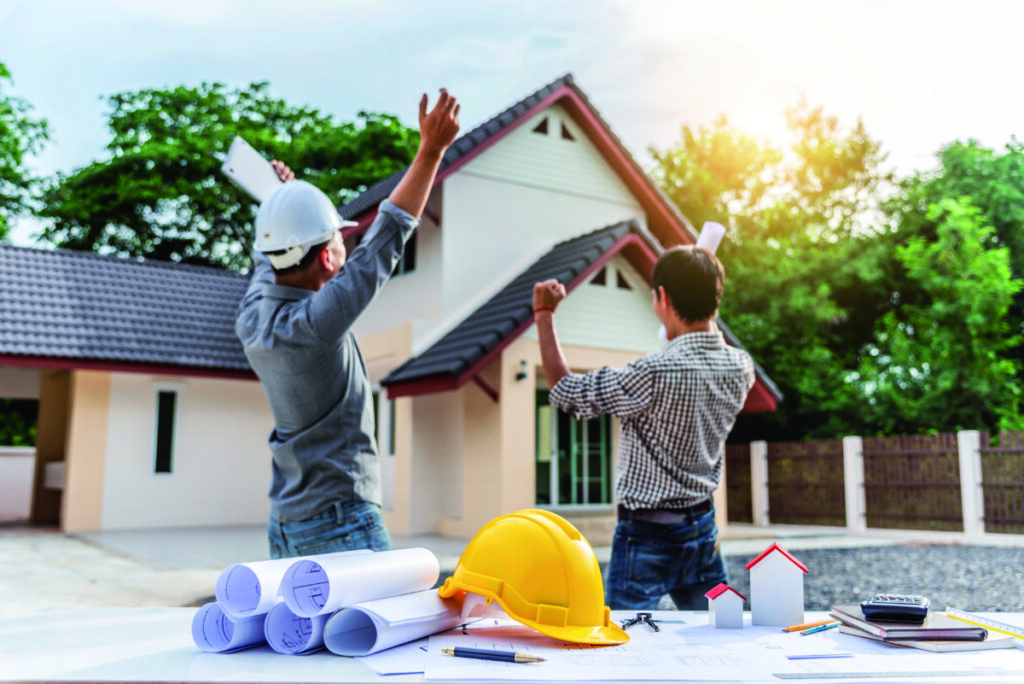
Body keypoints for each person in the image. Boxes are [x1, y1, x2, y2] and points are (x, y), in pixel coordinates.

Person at [236, 90, 460, 559]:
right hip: (341, 523)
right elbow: (388, 235)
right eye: (340, 237)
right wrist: (430, 152)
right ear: (327, 259)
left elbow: (268, 255)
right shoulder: (316, 324)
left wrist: (282, 199)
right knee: (381, 630)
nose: (347, 243)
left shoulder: (252, 316)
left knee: (307, 635)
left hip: (286, 525)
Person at [532, 245, 755, 609]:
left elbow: (566, 392)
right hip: (703, 527)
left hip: (646, 535)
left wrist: (544, 314)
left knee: (623, 646)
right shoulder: (741, 367)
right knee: (714, 633)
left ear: (663, 297)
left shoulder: (651, 373)